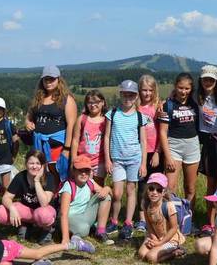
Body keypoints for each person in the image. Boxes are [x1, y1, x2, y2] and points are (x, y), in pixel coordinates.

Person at [104, 80, 148, 241]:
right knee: (117, 193)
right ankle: (114, 220)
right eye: (125, 95)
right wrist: (107, 159)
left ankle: (128, 222)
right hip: (117, 159)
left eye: (131, 95)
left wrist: (143, 163)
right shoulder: (112, 114)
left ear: (136, 97)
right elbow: (107, 137)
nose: (128, 98)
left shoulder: (139, 117)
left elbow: (143, 141)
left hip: (134, 158)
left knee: (131, 190)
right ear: (120, 95)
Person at [26, 65, 77, 186]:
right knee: (41, 176)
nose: (48, 82)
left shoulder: (67, 100)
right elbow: (29, 115)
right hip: (39, 147)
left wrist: (67, 149)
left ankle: (59, 197)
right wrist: (27, 122)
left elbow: (71, 125)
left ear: (58, 80)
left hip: (58, 147)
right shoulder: (38, 98)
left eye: (52, 79)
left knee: (58, 176)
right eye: (46, 79)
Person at [0, 150, 58, 244]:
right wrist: (12, 209)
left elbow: (44, 203)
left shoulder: (49, 177)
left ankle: (47, 229)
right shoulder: (20, 177)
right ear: (26, 164)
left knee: (44, 214)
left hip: (44, 213)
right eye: (31, 163)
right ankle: (25, 224)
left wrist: (36, 181)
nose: (34, 166)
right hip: (28, 212)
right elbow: (6, 197)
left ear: (43, 165)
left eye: (38, 163)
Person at [159, 72, 201, 211]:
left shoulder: (195, 102)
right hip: (174, 147)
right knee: (170, 187)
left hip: (192, 146)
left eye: (187, 88)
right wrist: (168, 156)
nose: (183, 91)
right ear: (175, 87)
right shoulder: (168, 105)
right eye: (180, 88)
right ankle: (170, 216)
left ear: (191, 89)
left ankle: (188, 217)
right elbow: (163, 132)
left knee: (190, 187)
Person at [194, 65, 217, 237]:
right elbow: (179, 95)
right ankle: (210, 222)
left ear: (216, 80)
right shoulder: (197, 96)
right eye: (205, 79)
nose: (208, 82)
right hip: (208, 141)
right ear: (201, 80)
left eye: (211, 80)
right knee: (211, 184)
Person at [59, 155, 114, 245]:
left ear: (90, 172)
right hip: (70, 217)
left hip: (84, 215)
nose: (84, 173)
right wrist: (65, 238)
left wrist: (107, 188)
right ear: (73, 171)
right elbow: (63, 214)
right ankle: (70, 234)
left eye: (87, 170)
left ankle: (100, 231)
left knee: (106, 197)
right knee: (83, 229)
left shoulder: (90, 182)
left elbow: (109, 193)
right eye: (80, 170)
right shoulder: (68, 186)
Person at [136, 74, 164, 234]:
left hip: (155, 152)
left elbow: (162, 132)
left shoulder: (158, 107)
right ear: (139, 91)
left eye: (150, 90)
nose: (147, 93)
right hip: (140, 152)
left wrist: (158, 152)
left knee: (156, 185)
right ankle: (141, 218)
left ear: (154, 91)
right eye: (144, 90)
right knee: (142, 187)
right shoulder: (136, 108)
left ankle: (156, 214)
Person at [138, 173, 187, 264]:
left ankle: (175, 252)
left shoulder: (168, 206)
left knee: (151, 257)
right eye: (151, 188)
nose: (154, 192)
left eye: (159, 190)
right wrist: (154, 238)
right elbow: (149, 225)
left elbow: (174, 228)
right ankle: (157, 249)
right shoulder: (146, 205)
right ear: (147, 189)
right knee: (141, 255)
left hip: (170, 239)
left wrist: (160, 243)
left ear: (164, 192)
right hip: (154, 235)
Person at [70, 89, 108, 187]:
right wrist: (74, 159)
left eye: (96, 102)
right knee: (82, 186)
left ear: (103, 102)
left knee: (98, 187)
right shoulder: (82, 119)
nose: (93, 105)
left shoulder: (106, 120)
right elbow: (75, 140)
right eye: (90, 102)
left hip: (99, 162)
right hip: (82, 160)